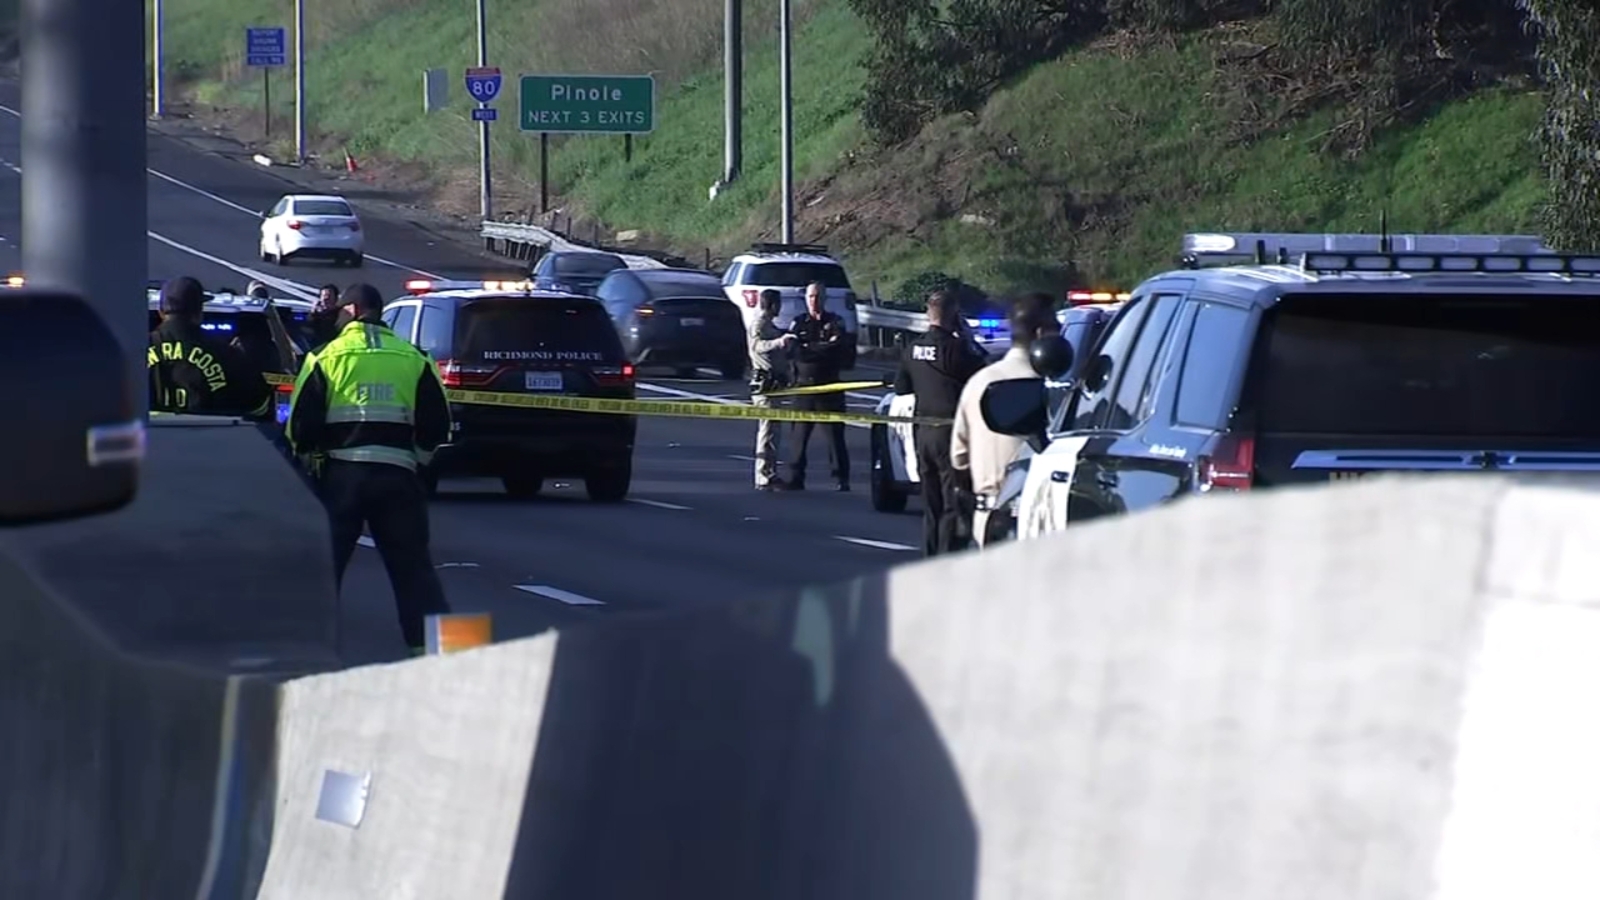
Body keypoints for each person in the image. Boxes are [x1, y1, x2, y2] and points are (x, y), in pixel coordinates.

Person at [285, 282, 454, 656]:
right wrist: (416, 462)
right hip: (398, 476)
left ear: (353, 311)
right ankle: (446, 657)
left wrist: (311, 462)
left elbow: (299, 428)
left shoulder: (324, 358)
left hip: (342, 477)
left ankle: (301, 653)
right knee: (415, 571)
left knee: (323, 573)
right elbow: (438, 426)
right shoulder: (414, 358)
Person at [952, 292, 1058, 548]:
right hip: (1038, 521)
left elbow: (958, 457)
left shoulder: (979, 383)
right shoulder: (1053, 389)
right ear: (1042, 334)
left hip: (986, 518)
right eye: (1058, 329)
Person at [893, 288, 987, 556]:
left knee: (930, 503)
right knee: (951, 502)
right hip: (951, 433)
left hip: (923, 433)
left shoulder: (912, 349)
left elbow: (901, 388)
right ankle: (945, 557)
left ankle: (930, 553)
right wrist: (967, 337)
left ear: (928, 314)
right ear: (954, 316)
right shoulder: (957, 350)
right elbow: (982, 372)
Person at [147, 275, 274, 419]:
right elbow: (256, 401)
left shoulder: (134, 352)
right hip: (212, 437)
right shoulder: (226, 353)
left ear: (161, 312)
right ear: (200, 313)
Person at [780, 281, 851, 491]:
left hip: (829, 387)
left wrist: (808, 349)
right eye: (811, 297)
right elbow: (792, 350)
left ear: (825, 298)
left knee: (835, 437)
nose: (814, 301)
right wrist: (815, 349)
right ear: (805, 299)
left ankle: (841, 478)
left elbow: (835, 349)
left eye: (818, 297)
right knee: (798, 437)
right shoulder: (798, 322)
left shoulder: (836, 321)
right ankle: (796, 477)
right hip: (803, 388)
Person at [748, 288, 798, 490]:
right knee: (767, 431)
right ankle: (763, 475)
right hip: (765, 385)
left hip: (776, 384)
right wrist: (779, 342)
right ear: (772, 305)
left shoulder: (771, 325)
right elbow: (757, 345)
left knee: (774, 432)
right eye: (778, 304)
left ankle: (771, 471)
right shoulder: (759, 324)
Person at [306, 283, 343, 351]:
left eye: (329, 296)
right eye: (323, 296)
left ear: (336, 298)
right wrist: (313, 311)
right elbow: (308, 327)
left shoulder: (341, 314)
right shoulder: (316, 314)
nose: (326, 299)